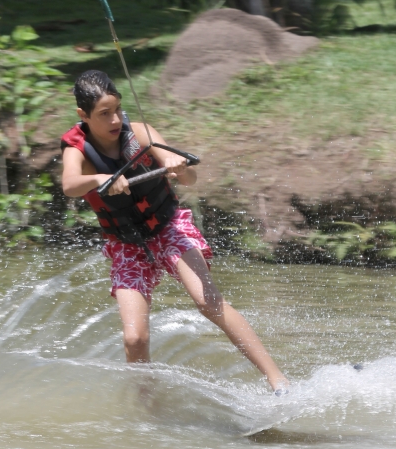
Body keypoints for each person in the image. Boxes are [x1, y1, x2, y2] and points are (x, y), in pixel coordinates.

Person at [61, 70, 289, 392]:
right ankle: (148, 408)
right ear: (83, 115)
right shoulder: (78, 150)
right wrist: (99, 179)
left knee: (209, 302)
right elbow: (70, 185)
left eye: (118, 109)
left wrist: (176, 166)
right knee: (134, 338)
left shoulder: (140, 133)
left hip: (168, 229)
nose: (115, 119)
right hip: (127, 245)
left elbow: (189, 180)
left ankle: (278, 380)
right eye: (104, 113)